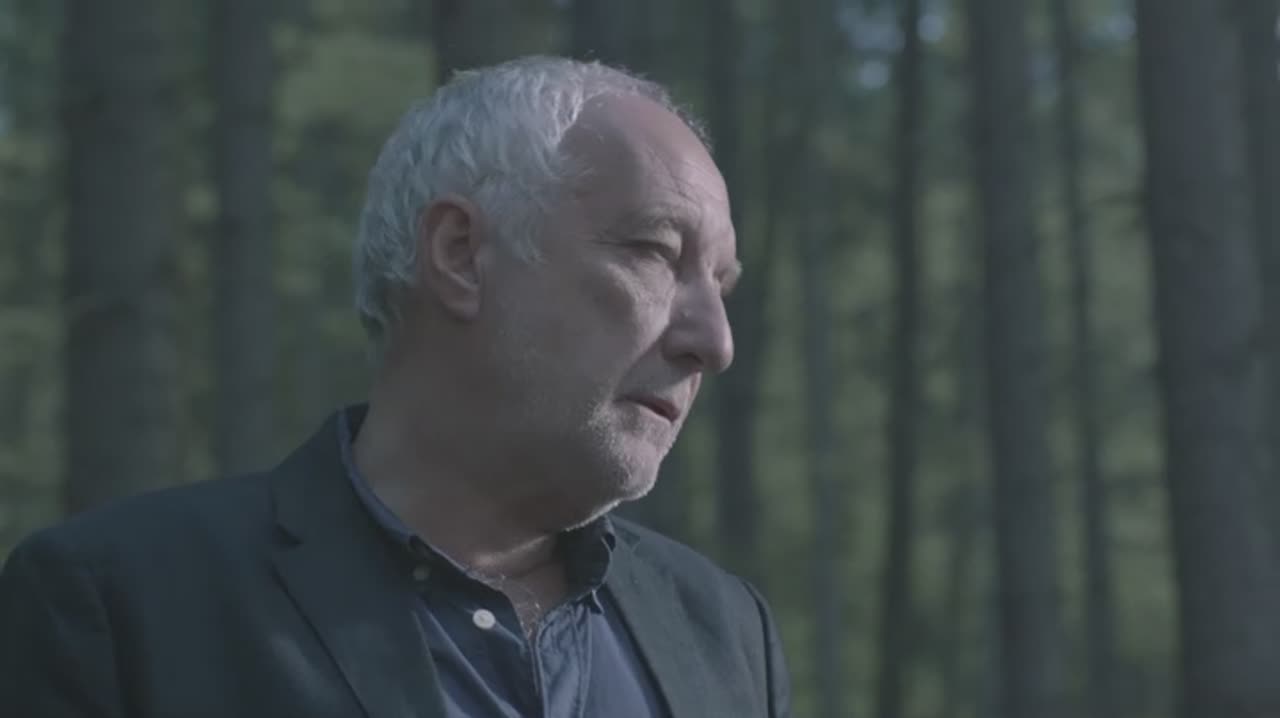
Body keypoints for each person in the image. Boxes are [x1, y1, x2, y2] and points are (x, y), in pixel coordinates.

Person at [0, 56, 792, 717]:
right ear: (459, 254)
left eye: (721, 286)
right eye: (656, 252)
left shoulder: (724, 631)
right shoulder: (121, 608)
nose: (714, 342)